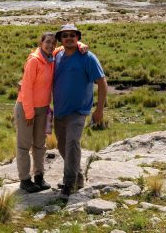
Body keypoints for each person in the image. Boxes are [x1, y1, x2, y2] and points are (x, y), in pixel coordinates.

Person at [14, 31, 88, 193]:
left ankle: (39, 177)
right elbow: (26, 88)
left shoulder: (51, 57)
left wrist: (80, 45)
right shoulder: (34, 60)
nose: (50, 45)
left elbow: (64, 47)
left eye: (53, 43)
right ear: (41, 43)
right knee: (24, 145)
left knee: (40, 144)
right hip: (27, 108)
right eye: (47, 42)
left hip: (43, 108)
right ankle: (25, 180)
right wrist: (29, 113)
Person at [53, 23, 107, 200]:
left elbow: (102, 83)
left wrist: (99, 110)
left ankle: (68, 184)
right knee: (62, 146)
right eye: (65, 35)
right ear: (61, 39)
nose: (69, 38)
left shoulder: (88, 57)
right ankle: (78, 176)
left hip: (79, 111)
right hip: (60, 111)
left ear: (78, 38)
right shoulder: (56, 56)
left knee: (72, 143)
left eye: (72, 35)